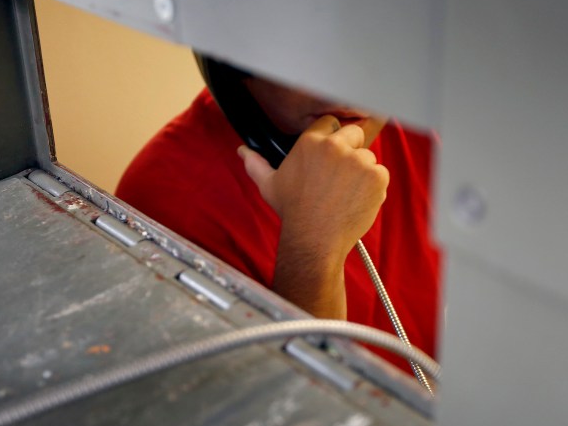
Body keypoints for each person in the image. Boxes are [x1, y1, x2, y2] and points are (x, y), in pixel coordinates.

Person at [116, 64, 442, 371]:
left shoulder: (419, 124)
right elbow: (302, 409)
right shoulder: (167, 206)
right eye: (308, 55)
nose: (350, 90)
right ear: (230, 64)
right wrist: (313, 249)